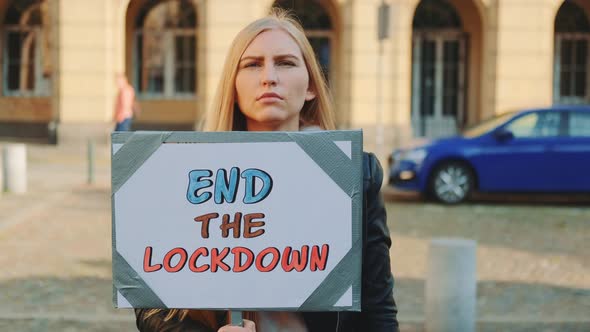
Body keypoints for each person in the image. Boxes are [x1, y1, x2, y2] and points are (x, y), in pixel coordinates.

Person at [134, 8, 399, 332]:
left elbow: (378, 309)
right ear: (233, 83)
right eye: (252, 64)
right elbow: (154, 309)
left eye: (286, 63)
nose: (269, 77)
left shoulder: (355, 174)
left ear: (311, 86)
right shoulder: (184, 172)